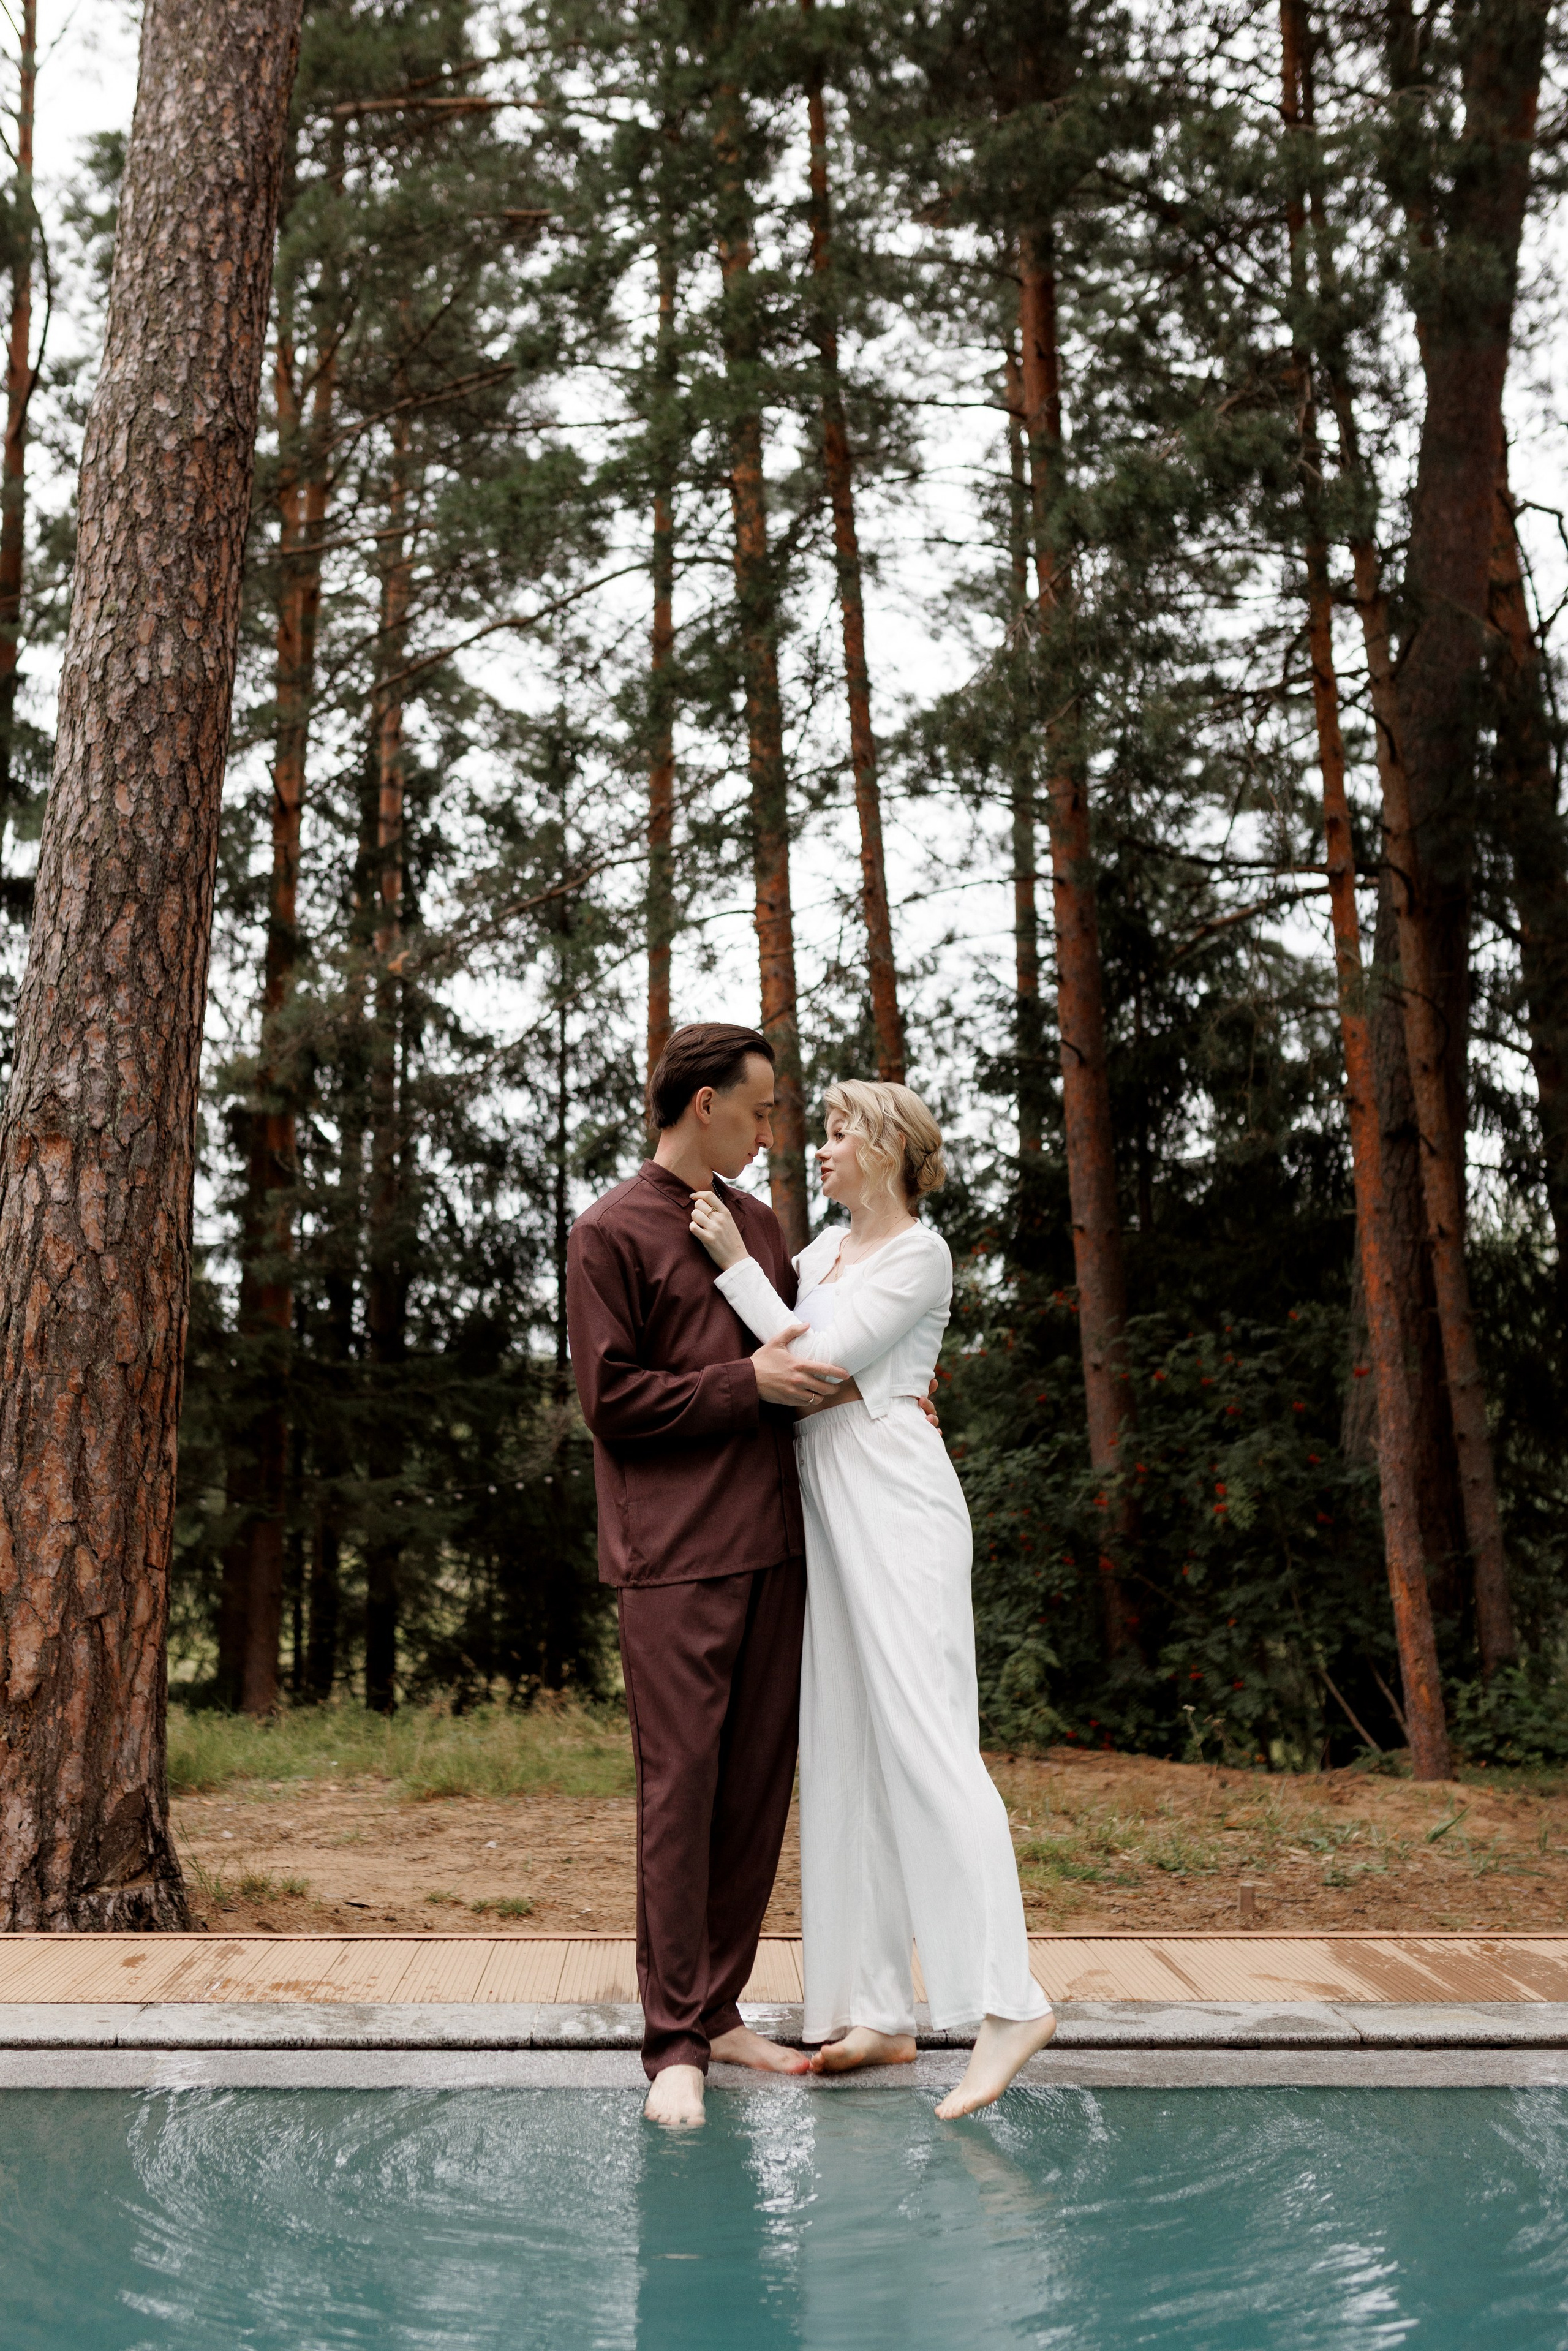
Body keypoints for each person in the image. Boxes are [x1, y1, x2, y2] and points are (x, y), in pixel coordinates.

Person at [688, 1078, 1057, 2119]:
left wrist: (732, 1270)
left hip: (896, 1505)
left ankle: (1012, 2001)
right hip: (829, 1514)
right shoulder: (815, 1257)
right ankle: (875, 2010)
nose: (822, 1145)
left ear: (888, 1146)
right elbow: (792, 1357)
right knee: (845, 1744)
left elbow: (810, 1363)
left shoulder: (920, 1253)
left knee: (930, 1746)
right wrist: (760, 1295)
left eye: (841, 1130)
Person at [565, 1023, 853, 2128]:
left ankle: (720, 2009)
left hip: (776, 1548)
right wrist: (748, 1386)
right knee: (680, 1794)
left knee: (752, 1790)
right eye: (760, 1107)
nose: (770, 1126)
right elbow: (614, 1403)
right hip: (672, 1560)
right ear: (700, 1105)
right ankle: (672, 2040)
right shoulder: (610, 1233)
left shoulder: (766, 1226)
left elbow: (805, 1352)